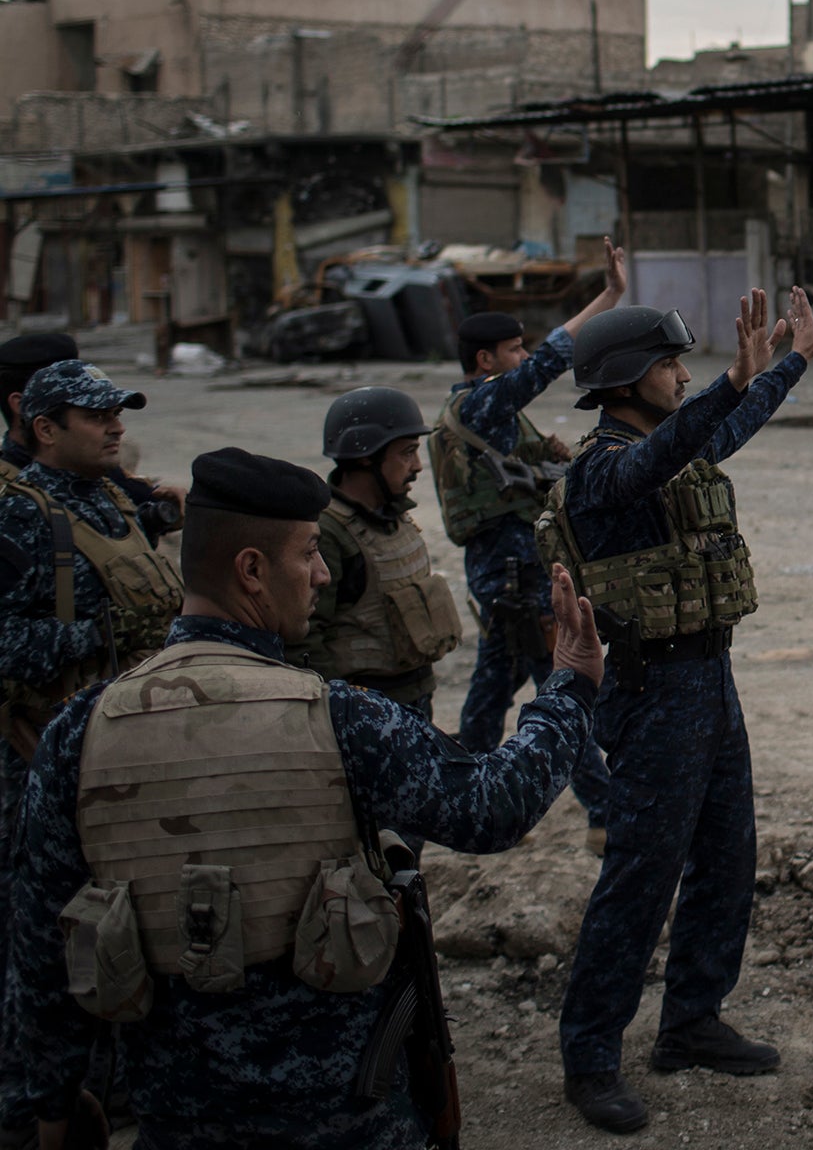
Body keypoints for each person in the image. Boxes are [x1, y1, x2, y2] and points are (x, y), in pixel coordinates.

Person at [5, 446, 608, 1150]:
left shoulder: (81, 733)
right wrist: (568, 688)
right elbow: (494, 808)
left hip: (177, 1121)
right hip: (351, 1122)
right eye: (309, 553)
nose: (323, 573)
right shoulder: (341, 718)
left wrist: (48, 1112)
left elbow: (42, 956)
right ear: (251, 570)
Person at [551, 287, 813, 1134]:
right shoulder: (602, 468)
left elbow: (720, 435)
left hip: (709, 679)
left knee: (726, 854)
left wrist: (788, 368)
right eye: (669, 366)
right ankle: (591, 1055)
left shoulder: (672, 450)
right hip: (651, 692)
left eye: (682, 366)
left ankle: (692, 1022)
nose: (679, 377)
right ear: (628, 379)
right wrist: (730, 378)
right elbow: (660, 458)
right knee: (641, 873)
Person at [0, 358, 184, 1149]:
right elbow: (6, 644)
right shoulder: (17, 518)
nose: (116, 428)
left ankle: (113, 1083)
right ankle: (29, 1103)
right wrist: (102, 637)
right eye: (96, 417)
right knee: (44, 944)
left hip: (127, 752)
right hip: (44, 759)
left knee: (128, 925)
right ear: (45, 429)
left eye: (119, 414)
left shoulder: (111, 501)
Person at [434, 238, 629, 849]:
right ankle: (595, 811)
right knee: (551, 684)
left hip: (512, 569)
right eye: (513, 349)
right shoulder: (485, 402)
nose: (523, 357)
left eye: (521, 346)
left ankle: (463, 798)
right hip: (510, 572)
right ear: (486, 358)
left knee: (508, 684)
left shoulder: (487, 412)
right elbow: (551, 360)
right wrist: (610, 297)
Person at [292, 386, 463, 721]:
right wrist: (335, 714)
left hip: (414, 698)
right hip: (365, 710)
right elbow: (306, 637)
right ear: (365, 456)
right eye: (406, 453)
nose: (417, 466)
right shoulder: (329, 533)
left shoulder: (391, 514)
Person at [0, 333, 183, 530]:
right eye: (95, 416)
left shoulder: (93, 473)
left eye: (115, 414)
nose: (119, 429)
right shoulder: (17, 510)